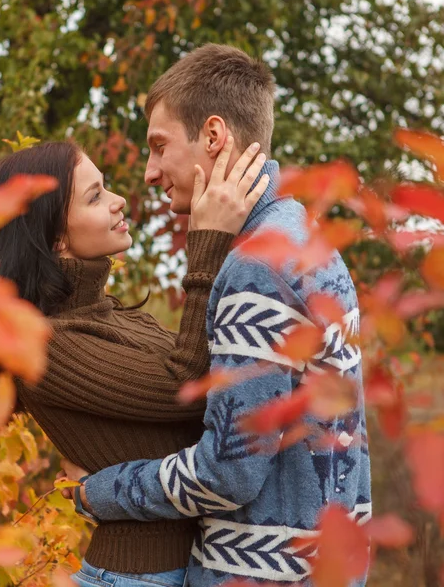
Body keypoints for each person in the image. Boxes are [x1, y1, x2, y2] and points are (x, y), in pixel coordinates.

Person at [59, 44, 372, 587]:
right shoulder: (304, 235)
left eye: (159, 147)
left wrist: (97, 492)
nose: (151, 173)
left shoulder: (256, 266)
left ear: (212, 136)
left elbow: (229, 472)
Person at [0, 140, 269, 585]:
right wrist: (207, 244)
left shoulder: (113, 316)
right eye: (95, 197)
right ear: (57, 238)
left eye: (105, 187)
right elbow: (190, 383)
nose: (118, 201)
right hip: (136, 576)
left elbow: (217, 372)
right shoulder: (47, 348)